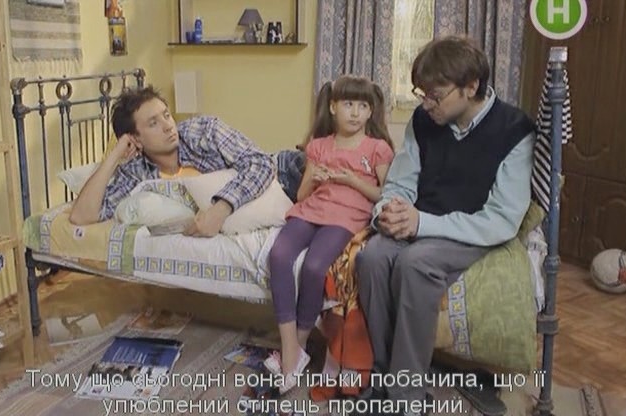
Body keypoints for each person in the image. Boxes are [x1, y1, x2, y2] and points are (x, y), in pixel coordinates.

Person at [354, 36, 535, 415]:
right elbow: (400, 183)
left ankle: (406, 398)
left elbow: (502, 219)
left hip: (471, 228)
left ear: (471, 87)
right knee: (372, 257)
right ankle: (384, 377)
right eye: (422, 94)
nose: (426, 104)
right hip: (419, 220)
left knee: (415, 263)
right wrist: (388, 210)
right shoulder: (423, 121)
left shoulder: (515, 129)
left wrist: (421, 223)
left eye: (435, 96)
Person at [264, 75, 395, 393]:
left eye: (363, 106)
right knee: (278, 256)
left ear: (371, 111)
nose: (356, 112)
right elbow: (302, 195)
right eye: (348, 104)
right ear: (333, 107)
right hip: (310, 211)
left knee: (313, 267)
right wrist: (315, 177)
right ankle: (290, 348)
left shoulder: (377, 149)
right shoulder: (319, 145)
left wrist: (351, 180)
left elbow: (386, 194)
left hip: (346, 217)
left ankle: (297, 349)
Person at [68, 85, 275, 237]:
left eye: (166, 115)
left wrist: (220, 209)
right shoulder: (136, 172)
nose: (168, 126)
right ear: (135, 139)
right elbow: (81, 216)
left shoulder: (202, 131)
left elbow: (261, 163)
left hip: (287, 172)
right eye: (153, 123)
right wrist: (114, 156)